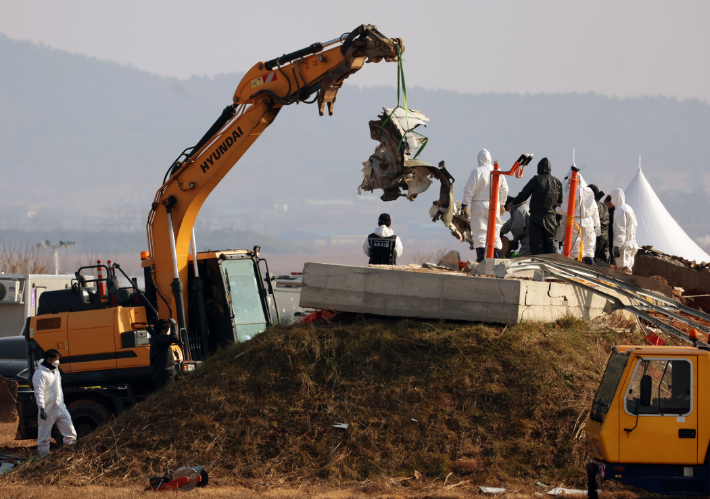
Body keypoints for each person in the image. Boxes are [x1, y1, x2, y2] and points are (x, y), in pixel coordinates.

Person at [461, 149, 508, 262]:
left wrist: (464, 204)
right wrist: (502, 203)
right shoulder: (497, 171)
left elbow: (469, 190)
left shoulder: (477, 171)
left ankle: (481, 260)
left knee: (479, 232)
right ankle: (496, 260)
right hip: (494, 205)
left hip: (479, 205)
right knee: (495, 232)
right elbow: (504, 189)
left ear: (479, 159)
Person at [508, 157, 563, 255]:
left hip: (536, 218)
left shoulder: (536, 180)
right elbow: (559, 204)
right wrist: (558, 220)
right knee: (551, 245)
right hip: (551, 218)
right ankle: (551, 267)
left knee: (537, 246)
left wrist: (513, 202)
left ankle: (539, 269)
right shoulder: (557, 182)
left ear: (539, 168)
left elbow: (523, 194)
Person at [33, 349, 77, 457]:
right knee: (44, 438)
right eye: (56, 359)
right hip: (48, 410)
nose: (58, 361)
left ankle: (69, 455)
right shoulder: (40, 374)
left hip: (60, 407)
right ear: (49, 359)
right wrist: (42, 408)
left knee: (71, 433)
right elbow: (39, 392)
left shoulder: (56, 371)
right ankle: (43, 459)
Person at [556, 169, 600, 266]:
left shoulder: (572, 191)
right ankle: (590, 272)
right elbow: (594, 210)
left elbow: (564, 210)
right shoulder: (589, 191)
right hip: (589, 222)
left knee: (575, 249)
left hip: (575, 222)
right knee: (588, 250)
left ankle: (575, 272)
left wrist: (556, 208)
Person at [608, 188, 638, 272]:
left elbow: (620, 229)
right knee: (628, 270)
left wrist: (617, 245)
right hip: (631, 244)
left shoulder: (619, 210)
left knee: (621, 271)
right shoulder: (628, 208)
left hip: (624, 246)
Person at [149, 318, 179, 391]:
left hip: (161, 372)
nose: (168, 332)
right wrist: (174, 325)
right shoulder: (160, 340)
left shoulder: (156, 338)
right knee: (166, 394)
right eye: (167, 329)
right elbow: (173, 337)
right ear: (163, 331)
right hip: (165, 373)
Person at [588, 184, 610, 263]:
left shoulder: (592, 205)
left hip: (597, 236)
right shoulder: (604, 206)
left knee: (590, 261)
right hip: (605, 237)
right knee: (604, 265)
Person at [604, 195, 616, 265]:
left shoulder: (612, 214)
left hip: (612, 242)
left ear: (610, 203)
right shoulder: (614, 212)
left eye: (605, 204)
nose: (605, 206)